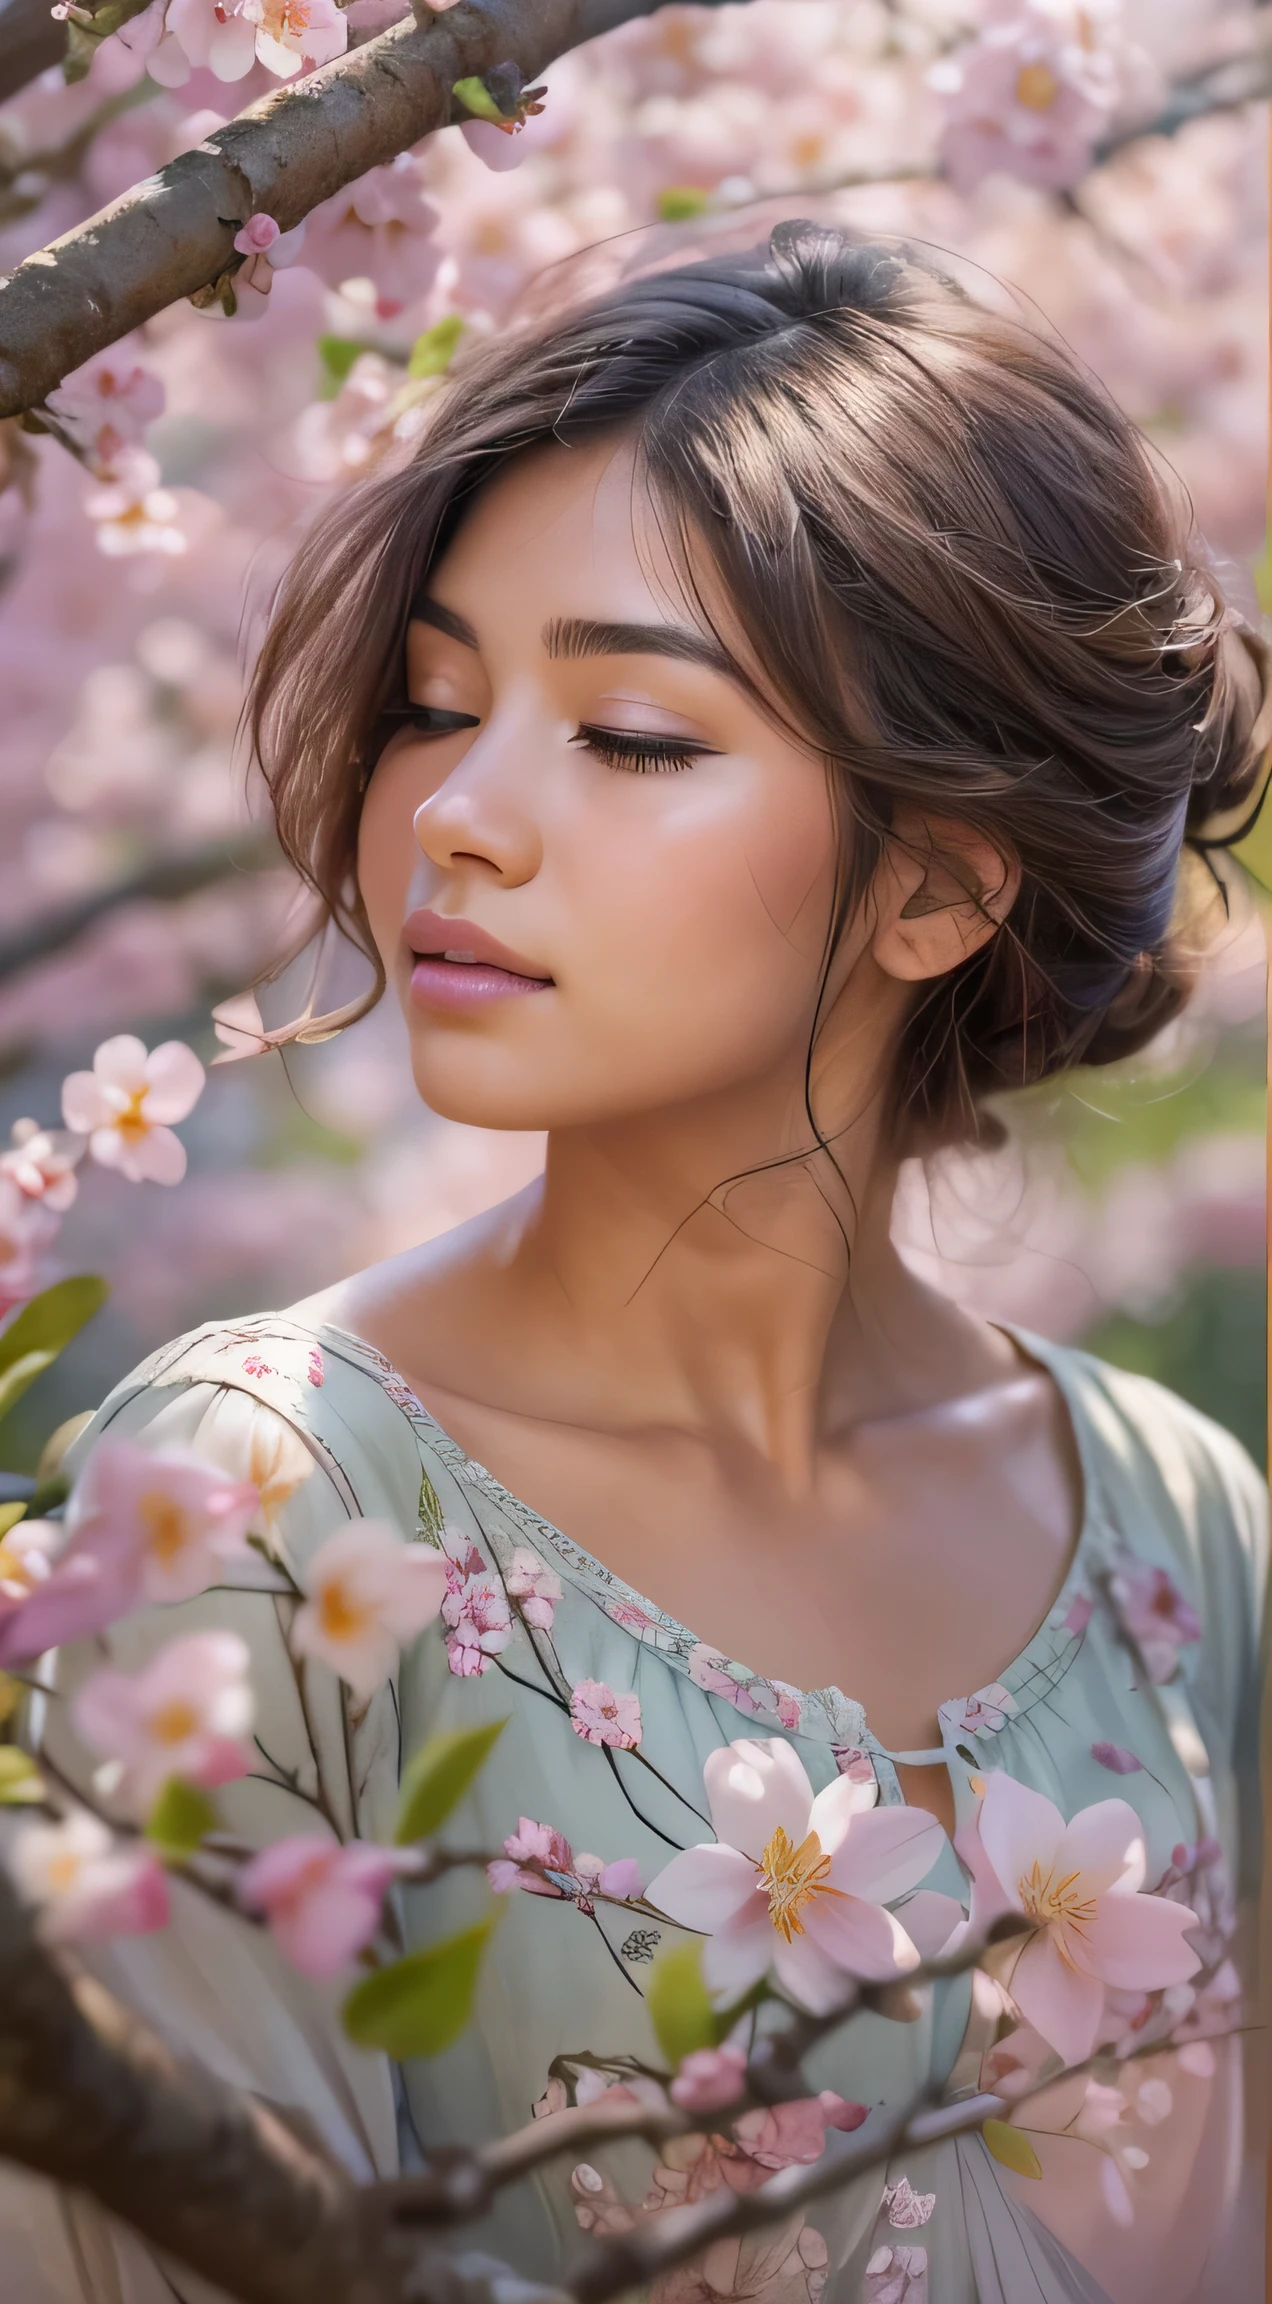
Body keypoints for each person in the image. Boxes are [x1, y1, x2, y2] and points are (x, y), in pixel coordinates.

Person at [16, 223, 1269, 2303]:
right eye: (434, 704)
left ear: (943, 884)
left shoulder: (1180, 1528)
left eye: (633, 737)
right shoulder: (261, 1499)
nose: (458, 820)